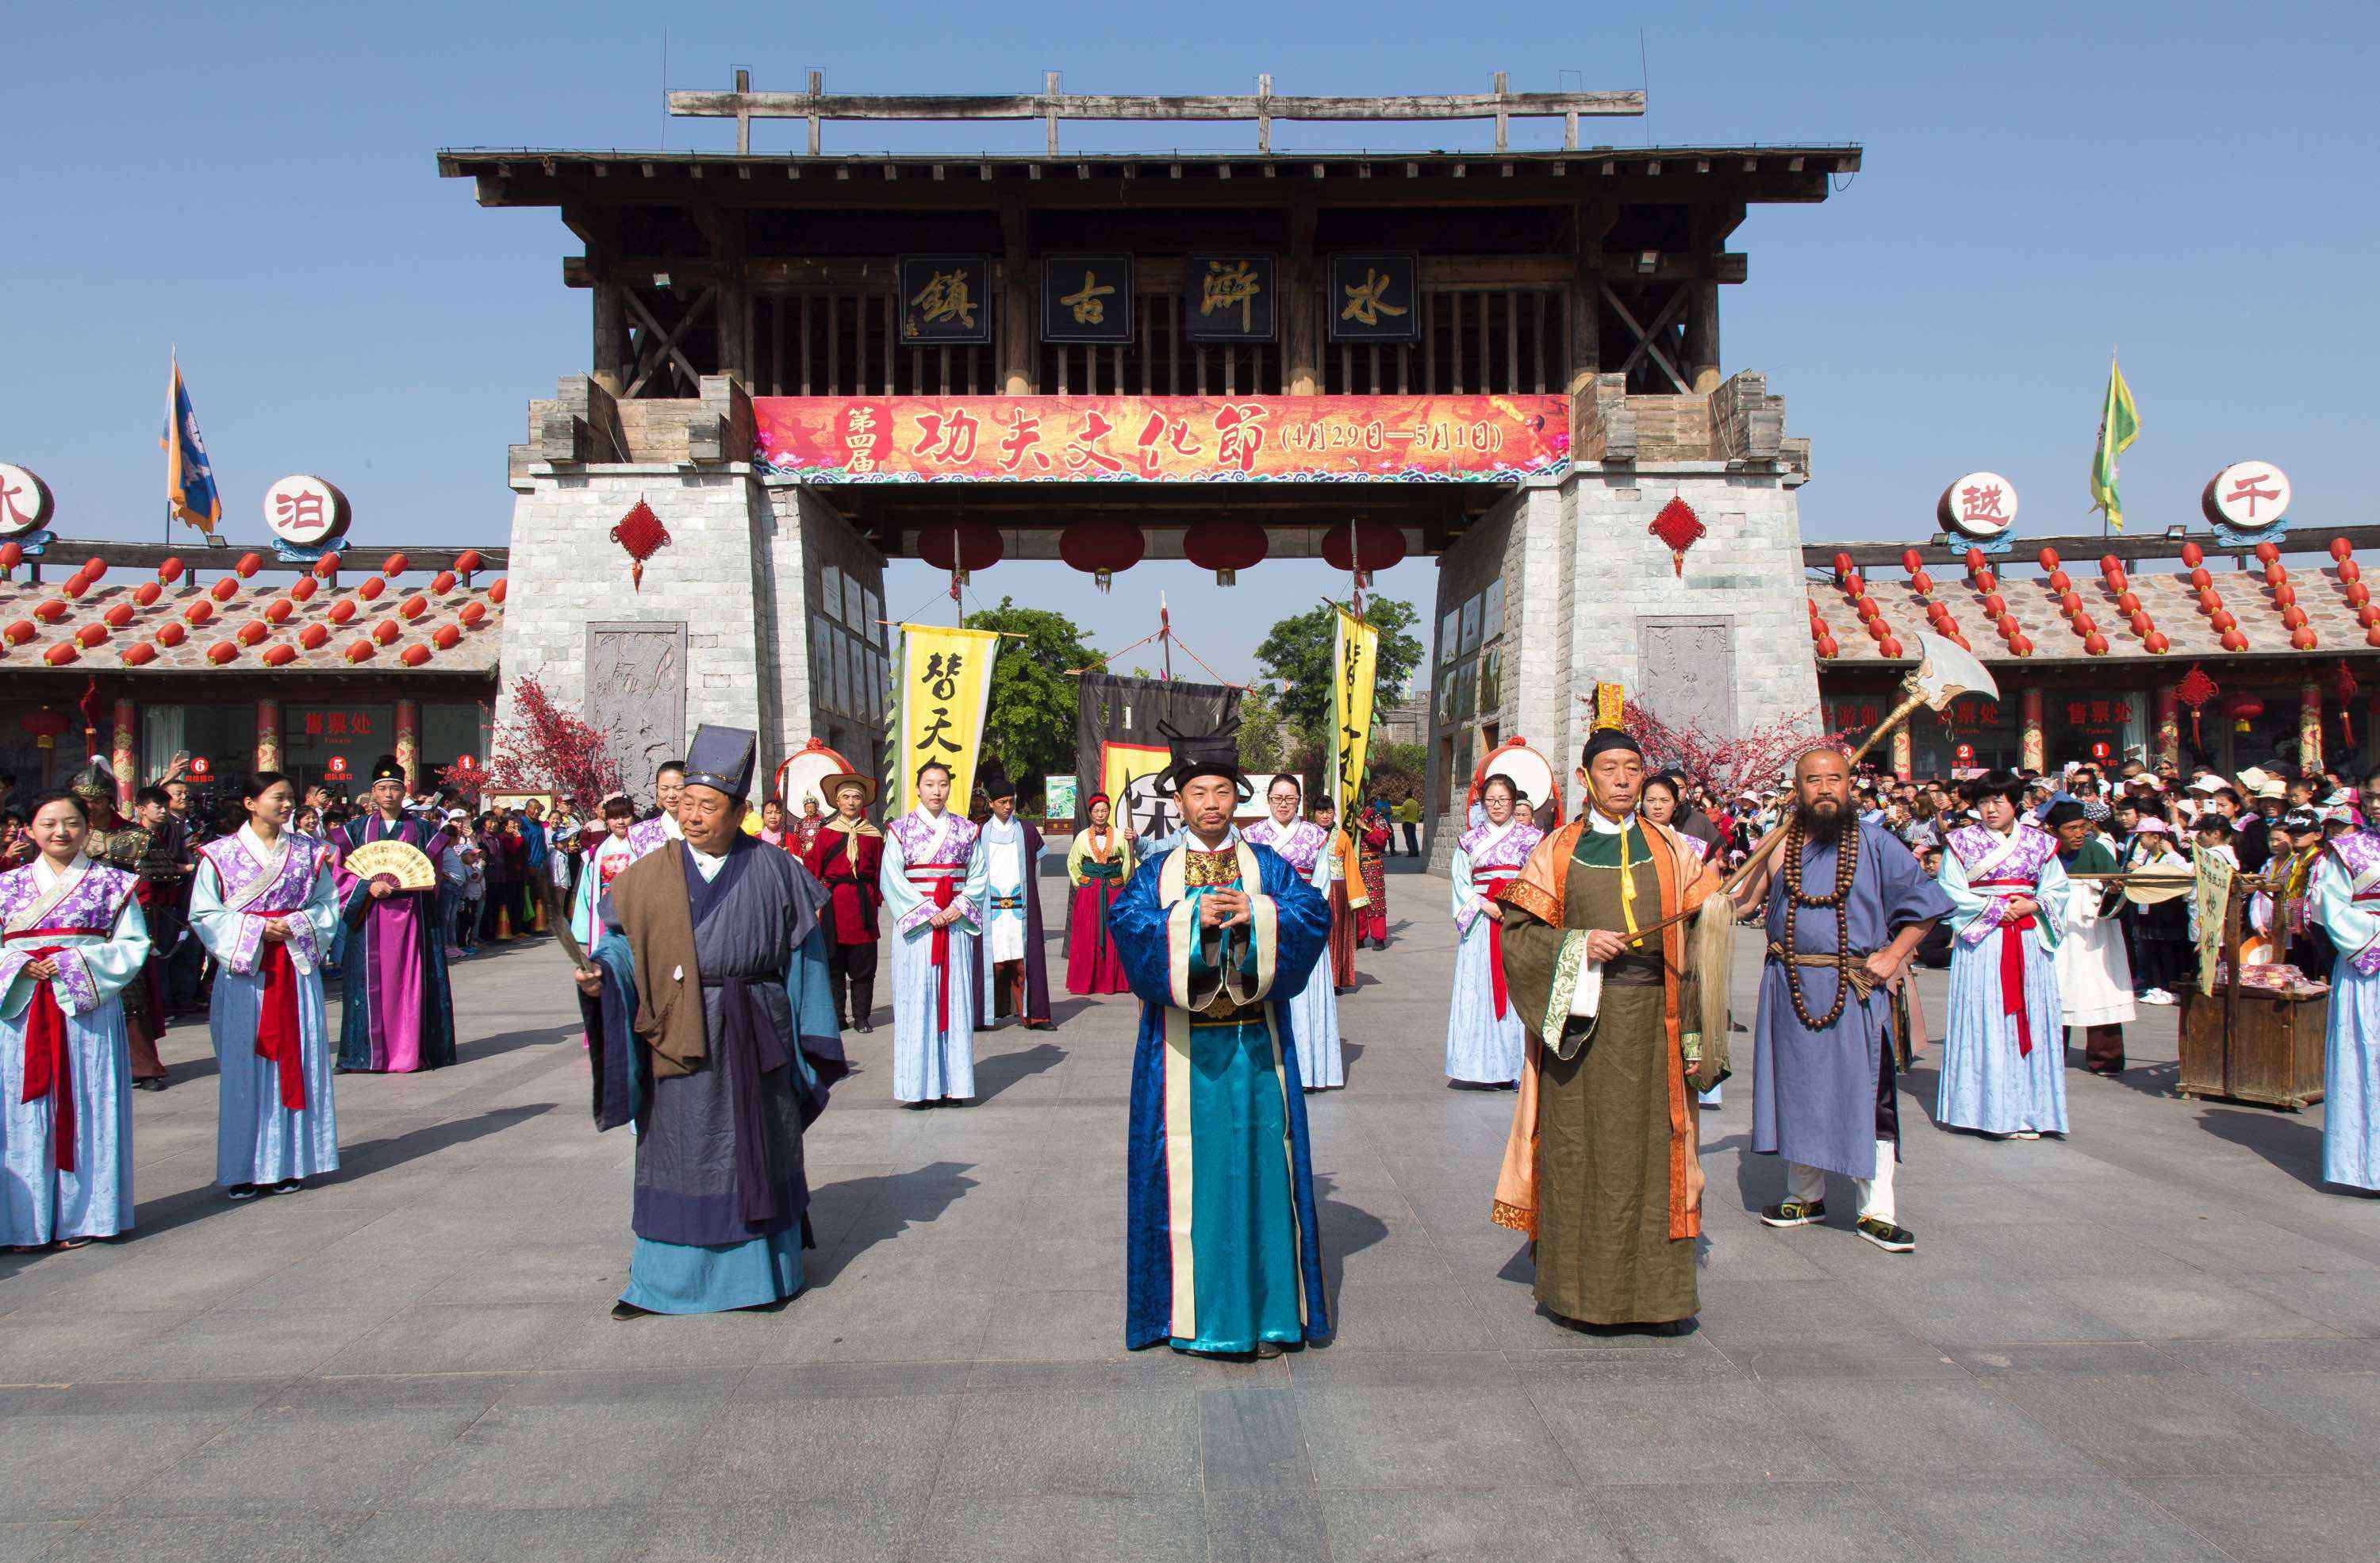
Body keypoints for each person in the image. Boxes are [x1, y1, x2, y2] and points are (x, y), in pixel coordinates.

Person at [574, 725, 846, 1315]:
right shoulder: (648, 876)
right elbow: (624, 949)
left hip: (754, 1029)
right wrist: (602, 975)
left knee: (757, 1144)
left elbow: (806, 960)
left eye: (707, 806)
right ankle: (661, 1282)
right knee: (678, 1147)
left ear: (740, 811)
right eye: (685, 804)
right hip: (679, 1031)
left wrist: (809, 1041)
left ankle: (760, 1279)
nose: (693, 817)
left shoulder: (776, 870)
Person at [1488, 697, 1731, 1331]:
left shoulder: (1675, 850)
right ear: (1585, 779)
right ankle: (1577, 1293)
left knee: (1658, 1152)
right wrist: (1577, 944)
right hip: (1582, 1032)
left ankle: (1658, 1299)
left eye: (1632, 769)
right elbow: (1518, 934)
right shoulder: (1556, 852)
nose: (1622, 780)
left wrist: (1719, 909)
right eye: (1609, 769)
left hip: (1657, 1024)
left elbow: (1711, 921)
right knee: (1579, 1153)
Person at [1107, 724, 1334, 1355]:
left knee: (1264, 1168)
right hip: (1180, 1055)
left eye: (1222, 792)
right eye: (1198, 792)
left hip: (1256, 1051)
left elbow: (1313, 912)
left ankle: (1269, 1315)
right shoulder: (1156, 871)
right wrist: (1188, 921)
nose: (1210, 804)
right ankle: (1187, 1317)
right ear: (1177, 802)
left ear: (1239, 798)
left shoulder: (1268, 867)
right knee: (1190, 1179)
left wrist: (1257, 915)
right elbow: (1126, 925)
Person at [1738, 747, 1950, 1254]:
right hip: (1790, 986)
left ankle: (1876, 1209)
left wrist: (1894, 955)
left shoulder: (1878, 844)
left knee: (1868, 1095)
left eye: (1835, 779)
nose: (1826, 789)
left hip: (1854, 989)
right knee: (1799, 1091)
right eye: (1814, 780)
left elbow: (1929, 904)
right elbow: (1743, 901)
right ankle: (1804, 1195)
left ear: (1850, 785)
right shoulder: (1780, 844)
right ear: (1799, 789)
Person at [0, 789, 152, 1249]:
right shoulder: (6, 886)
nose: (60, 833)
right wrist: (16, 966)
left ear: (88, 829)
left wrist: (70, 965)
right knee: (20, 1113)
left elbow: (132, 946)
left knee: (87, 1103)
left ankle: (86, 1216)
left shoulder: (112, 884)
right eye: (48, 824)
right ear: (29, 830)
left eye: (70, 823)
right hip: (22, 1010)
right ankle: (22, 1223)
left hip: (85, 1008)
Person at [189, 772, 342, 1200]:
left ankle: (289, 1162)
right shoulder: (218, 855)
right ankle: (242, 1165)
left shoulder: (311, 852)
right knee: (243, 1063)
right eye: (278, 797)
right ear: (250, 803)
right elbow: (203, 914)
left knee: (297, 1058)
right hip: (244, 972)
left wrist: (294, 924)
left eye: (291, 798)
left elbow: (327, 904)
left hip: (293, 967)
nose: (287, 805)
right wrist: (255, 932)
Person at [1937, 770, 2071, 1140]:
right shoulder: (1961, 842)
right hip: (1984, 941)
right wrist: (1996, 908)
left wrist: (2034, 903)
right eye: (1983, 802)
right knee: (1988, 1014)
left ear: (2017, 804)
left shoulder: (2040, 843)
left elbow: (2058, 888)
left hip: (2027, 937)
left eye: (1998, 801)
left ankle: (2032, 1112)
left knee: (2029, 1016)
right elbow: (1951, 889)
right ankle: (1985, 1111)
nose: (1990, 809)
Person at [331, 757, 458, 1073]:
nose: (388, 795)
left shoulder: (424, 831)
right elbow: (338, 873)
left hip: (411, 919)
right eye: (382, 788)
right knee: (367, 985)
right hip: (368, 918)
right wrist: (365, 887)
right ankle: (364, 1055)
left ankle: (410, 1051)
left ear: (405, 793)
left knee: (409, 980)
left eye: (395, 789)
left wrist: (410, 884)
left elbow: (432, 875)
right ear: (373, 793)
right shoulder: (355, 831)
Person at [879, 760, 987, 1104]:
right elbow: (891, 879)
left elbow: (979, 876)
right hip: (918, 931)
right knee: (917, 1000)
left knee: (953, 1000)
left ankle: (955, 1085)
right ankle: (917, 1087)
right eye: (929, 784)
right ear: (918, 788)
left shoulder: (966, 830)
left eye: (942, 784)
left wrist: (958, 907)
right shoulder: (899, 830)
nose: (936, 791)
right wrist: (927, 912)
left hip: (953, 924)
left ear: (950, 788)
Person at [1244, 775, 1346, 1091]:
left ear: (1300, 800)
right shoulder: (1251, 836)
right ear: (1268, 800)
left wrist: (1302, 918)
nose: (1283, 804)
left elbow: (1322, 886)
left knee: (1305, 997)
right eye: (1277, 798)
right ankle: (1267, 1071)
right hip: (1263, 922)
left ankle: (1307, 1070)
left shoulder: (1317, 836)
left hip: (1302, 926)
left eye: (1290, 798)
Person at [1444, 774, 1543, 1088]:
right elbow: (1461, 882)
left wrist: (1515, 908)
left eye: (1503, 800)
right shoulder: (1468, 841)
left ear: (1514, 802)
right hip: (1481, 923)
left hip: (1517, 924)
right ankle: (1478, 1067)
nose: (1497, 806)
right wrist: (1484, 905)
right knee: (1480, 992)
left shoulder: (1533, 839)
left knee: (1518, 991)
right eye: (1491, 800)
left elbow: (1539, 880)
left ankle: (1518, 1067)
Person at [1641, 773, 1726, 1112]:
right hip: (1645, 939)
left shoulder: (1690, 846)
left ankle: (1697, 1076)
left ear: (1676, 804)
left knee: (1688, 1004)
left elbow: (1710, 887)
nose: (1658, 806)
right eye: (1651, 800)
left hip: (1683, 935)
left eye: (1665, 800)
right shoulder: (1628, 842)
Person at [2045, 799, 2134, 1076]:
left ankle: (2105, 1058)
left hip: (2094, 934)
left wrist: (2116, 889)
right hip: (2057, 931)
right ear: (2054, 830)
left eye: (2082, 827)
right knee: (2054, 990)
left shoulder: (2096, 850)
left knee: (2100, 988)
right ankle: (2048, 1055)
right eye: (2071, 829)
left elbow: (2117, 894)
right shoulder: (2044, 855)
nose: (2079, 834)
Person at [800, 773, 885, 1033]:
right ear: (837, 801)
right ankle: (837, 1017)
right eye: (846, 797)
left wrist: (876, 901)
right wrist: (814, 904)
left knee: (863, 967)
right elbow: (812, 869)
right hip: (833, 904)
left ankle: (862, 1017)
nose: (851, 802)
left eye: (856, 797)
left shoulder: (873, 835)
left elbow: (881, 871)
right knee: (834, 966)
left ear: (863, 803)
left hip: (862, 906)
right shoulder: (826, 834)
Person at [972, 770, 1054, 1031]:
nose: (1008, 807)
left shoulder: (1027, 830)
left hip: (1021, 908)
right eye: (1002, 803)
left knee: (1023, 960)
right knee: (993, 961)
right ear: (992, 804)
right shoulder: (980, 832)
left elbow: (1036, 870)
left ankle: (1036, 1015)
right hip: (991, 909)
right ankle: (984, 1015)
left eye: (1011, 802)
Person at [1063, 792, 1134, 996]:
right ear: (1090, 813)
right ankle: (1086, 981)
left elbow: (1128, 862)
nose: (1101, 815)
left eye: (1104, 810)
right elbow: (1074, 864)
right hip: (1090, 890)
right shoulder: (1082, 837)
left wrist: (1121, 883)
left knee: (1114, 934)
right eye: (1096, 811)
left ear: (1109, 812)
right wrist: (1084, 885)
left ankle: (1115, 981)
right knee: (1087, 934)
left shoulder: (1121, 836)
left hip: (1113, 890)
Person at [2118, 817, 2190, 1004]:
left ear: (2156, 838)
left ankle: (2171, 988)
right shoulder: (2147, 857)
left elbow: (2184, 871)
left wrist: (2171, 852)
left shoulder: (2170, 857)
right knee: (2152, 950)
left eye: (2143, 836)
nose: (2140, 841)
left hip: (2167, 910)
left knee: (2168, 951)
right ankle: (2157, 985)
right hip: (2149, 908)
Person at [570, 795, 643, 950]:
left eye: (625, 816)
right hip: (605, 908)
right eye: (614, 817)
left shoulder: (643, 845)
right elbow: (587, 889)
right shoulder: (597, 852)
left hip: (637, 908)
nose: (620, 822)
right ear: (607, 821)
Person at [1311, 797, 1366, 996]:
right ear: (1313, 813)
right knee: (1314, 934)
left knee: (1336, 935)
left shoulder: (1342, 837)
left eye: (1328, 811)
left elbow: (1350, 866)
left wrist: (1355, 897)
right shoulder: (1307, 835)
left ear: (1334, 813)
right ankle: (1310, 979)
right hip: (1313, 891)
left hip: (1337, 891)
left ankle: (1334, 980)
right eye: (1320, 811)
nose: (1325, 816)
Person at [624, 761, 687, 856]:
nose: (671, 795)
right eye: (664, 788)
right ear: (657, 789)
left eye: (678, 788)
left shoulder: (703, 830)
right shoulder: (640, 833)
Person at [1353, 801, 1392, 949]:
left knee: (1375, 900)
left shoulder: (1376, 817)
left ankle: (1379, 937)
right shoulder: (1347, 817)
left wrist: (1364, 827)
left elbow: (1382, 839)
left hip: (1372, 864)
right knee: (1357, 902)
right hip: (1354, 864)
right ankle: (1359, 936)